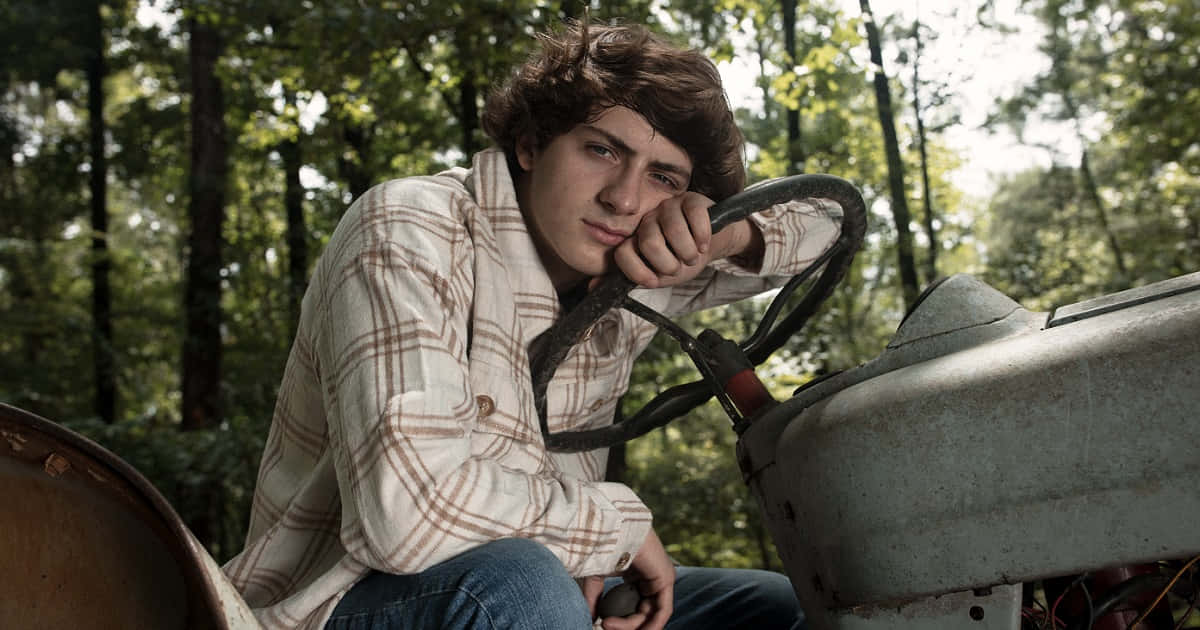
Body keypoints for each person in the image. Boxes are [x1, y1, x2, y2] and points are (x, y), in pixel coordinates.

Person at [222, 19, 840, 630]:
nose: (624, 200)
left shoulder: (639, 269)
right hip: (349, 602)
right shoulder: (410, 227)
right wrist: (615, 530)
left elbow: (833, 225)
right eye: (602, 150)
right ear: (531, 144)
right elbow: (404, 514)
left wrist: (723, 231)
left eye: (662, 178)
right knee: (519, 583)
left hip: (559, 582)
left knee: (776, 608)